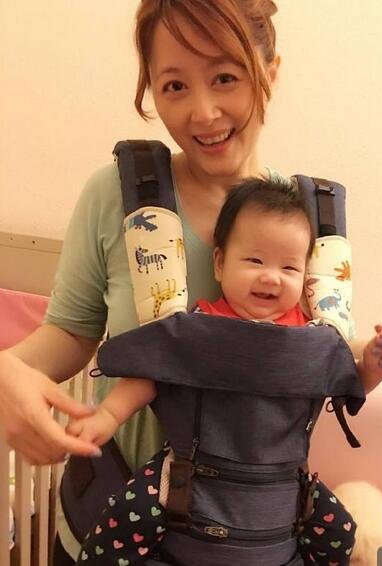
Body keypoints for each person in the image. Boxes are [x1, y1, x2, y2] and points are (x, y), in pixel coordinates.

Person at [0, 1, 382, 564]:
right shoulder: (116, 197)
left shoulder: (304, 221)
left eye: (225, 78)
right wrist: (6, 373)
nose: (204, 113)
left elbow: (316, 352)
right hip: (113, 521)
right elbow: (69, 332)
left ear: (270, 72)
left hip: (249, 537)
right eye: (174, 86)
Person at [70, 177, 357, 565]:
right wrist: (107, 415)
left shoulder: (312, 337)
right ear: (219, 264)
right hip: (189, 470)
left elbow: (347, 376)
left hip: (281, 477)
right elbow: (153, 372)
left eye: (289, 267)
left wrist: (380, 361)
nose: (271, 276)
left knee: (342, 530)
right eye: (255, 261)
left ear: (306, 277)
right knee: (122, 517)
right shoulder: (198, 326)